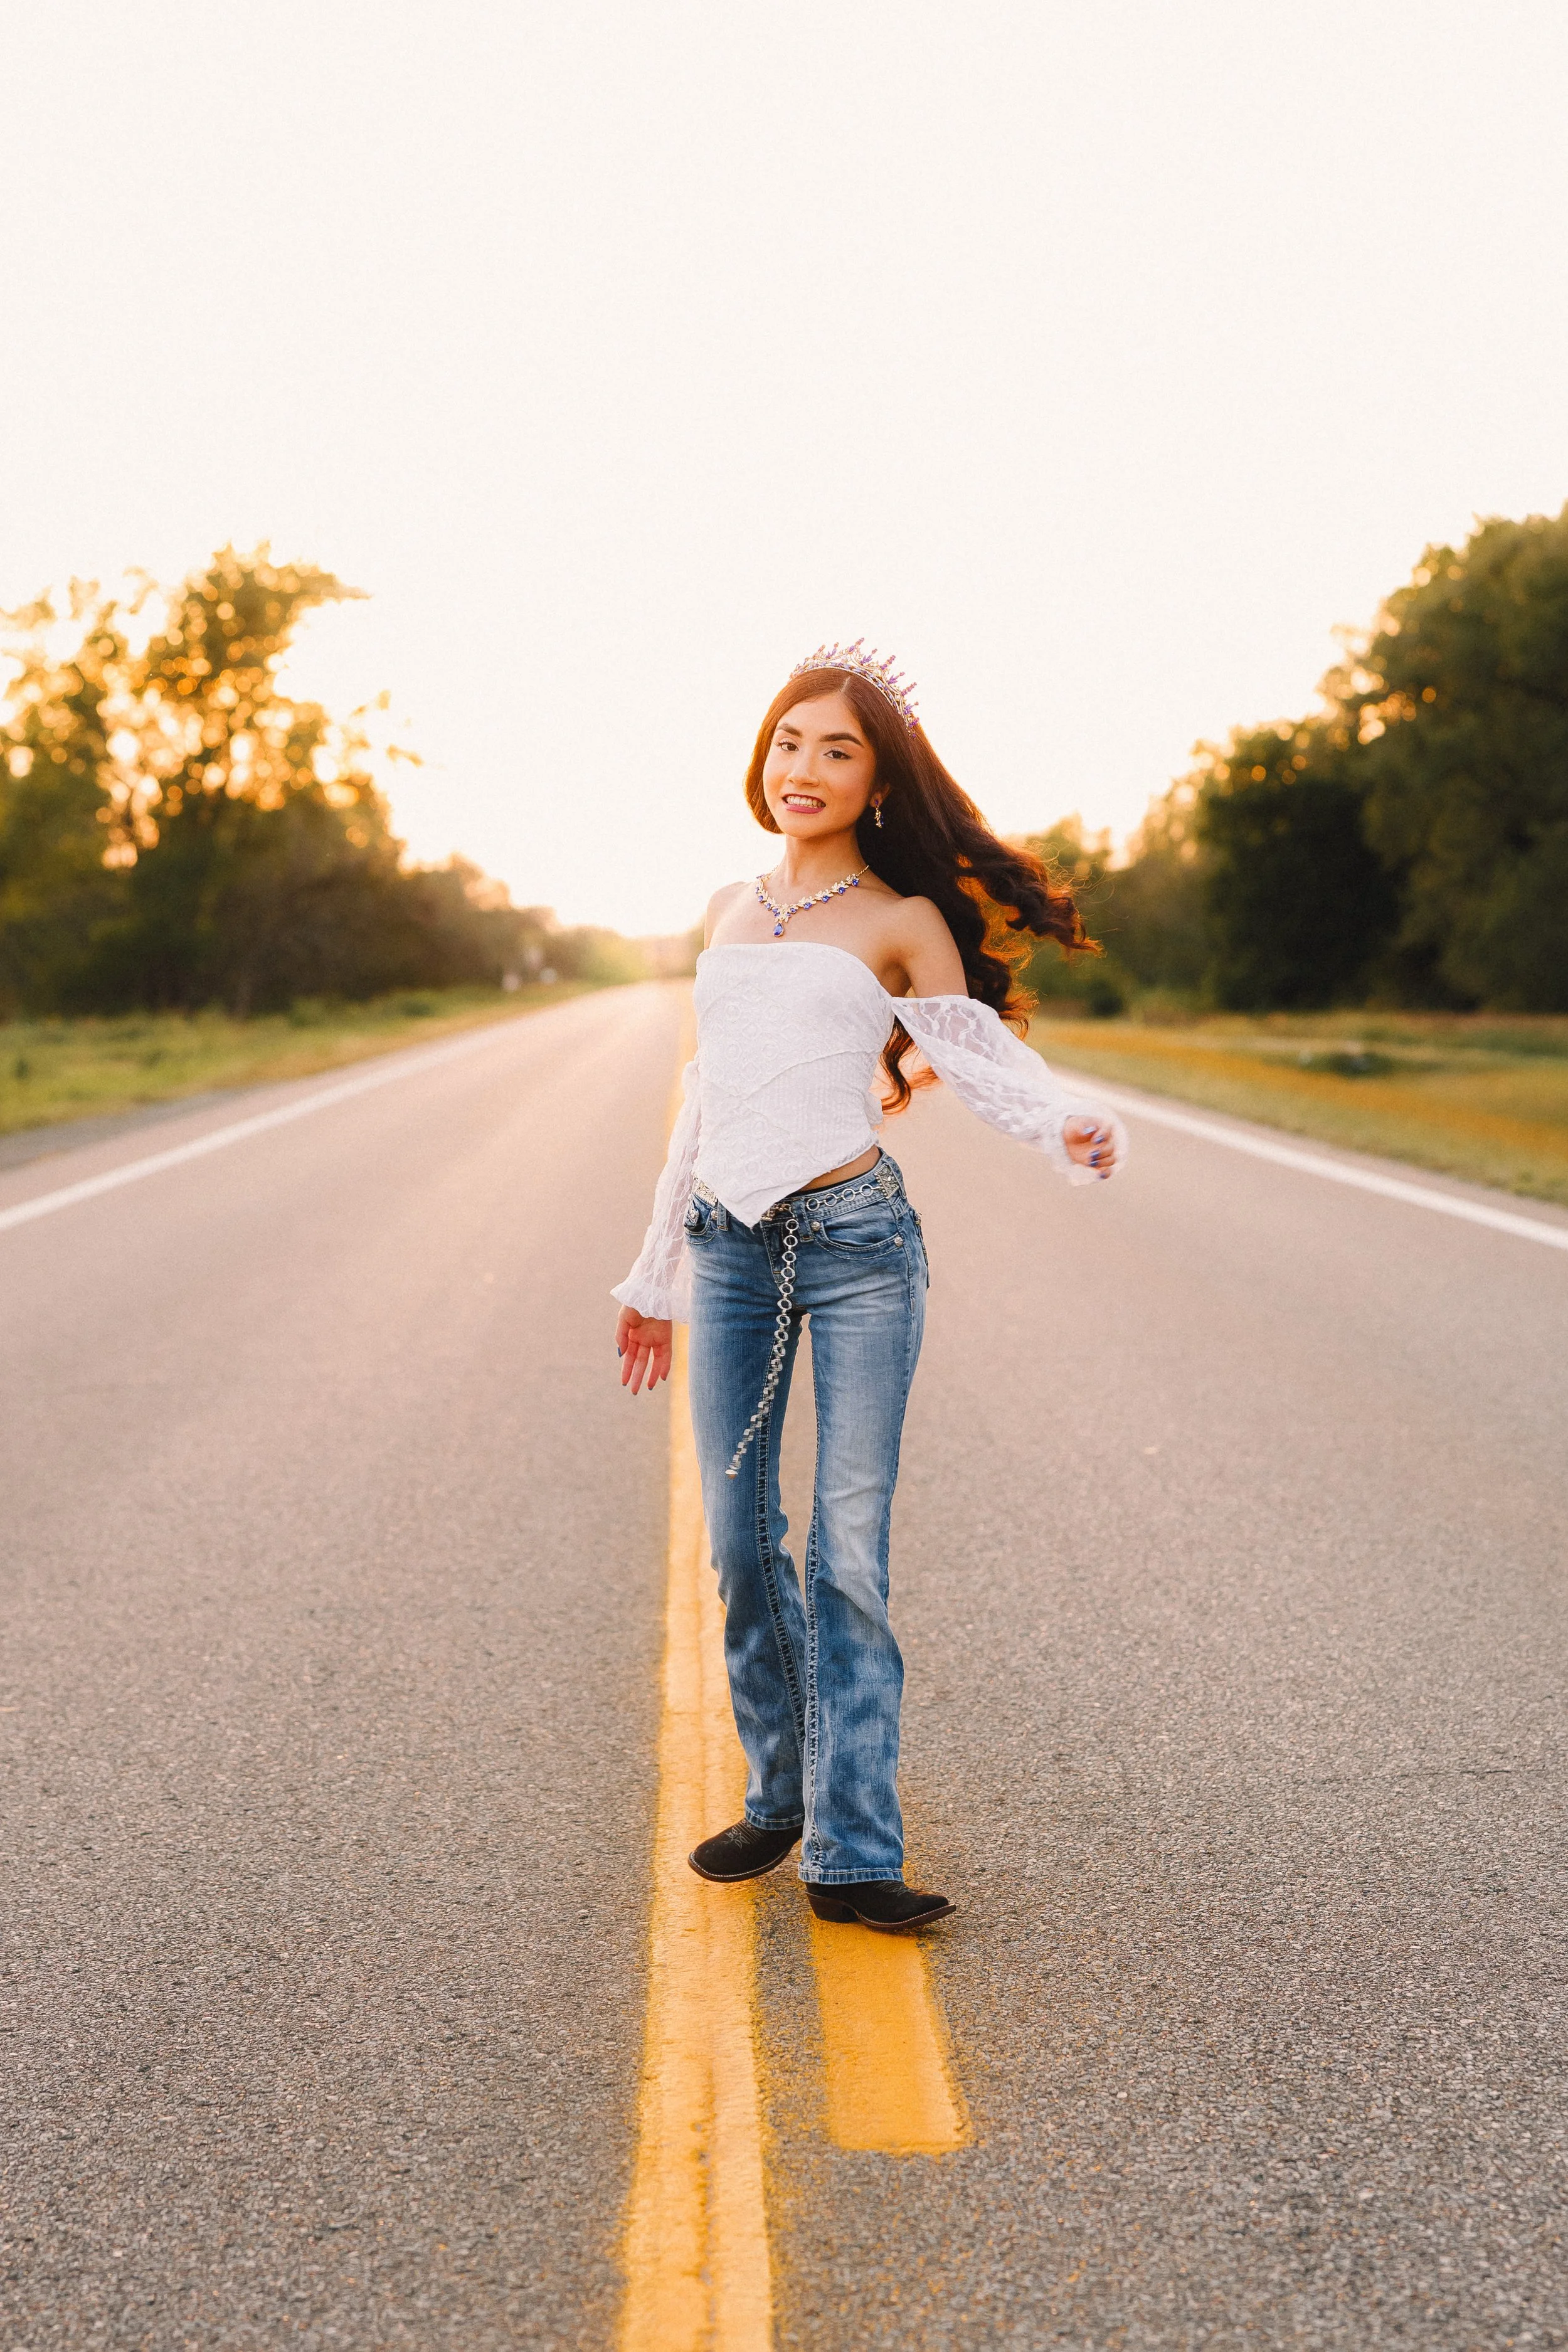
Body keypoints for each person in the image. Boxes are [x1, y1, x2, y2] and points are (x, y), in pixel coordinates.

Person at [613, 644, 1125, 1931]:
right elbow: (701, 1104)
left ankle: (852, 1850)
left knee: (846, 1552)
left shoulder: (903, 920)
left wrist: (1064, 1121)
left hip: (855, 1252)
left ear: (875, 780)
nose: (805, 768)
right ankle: (779, 1795)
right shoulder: (732, 910)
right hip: (729, 1252)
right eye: (790, 741)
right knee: (739, 1547)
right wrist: (651, 1273)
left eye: (837, 750)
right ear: (761, 757)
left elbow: (976, 1055)